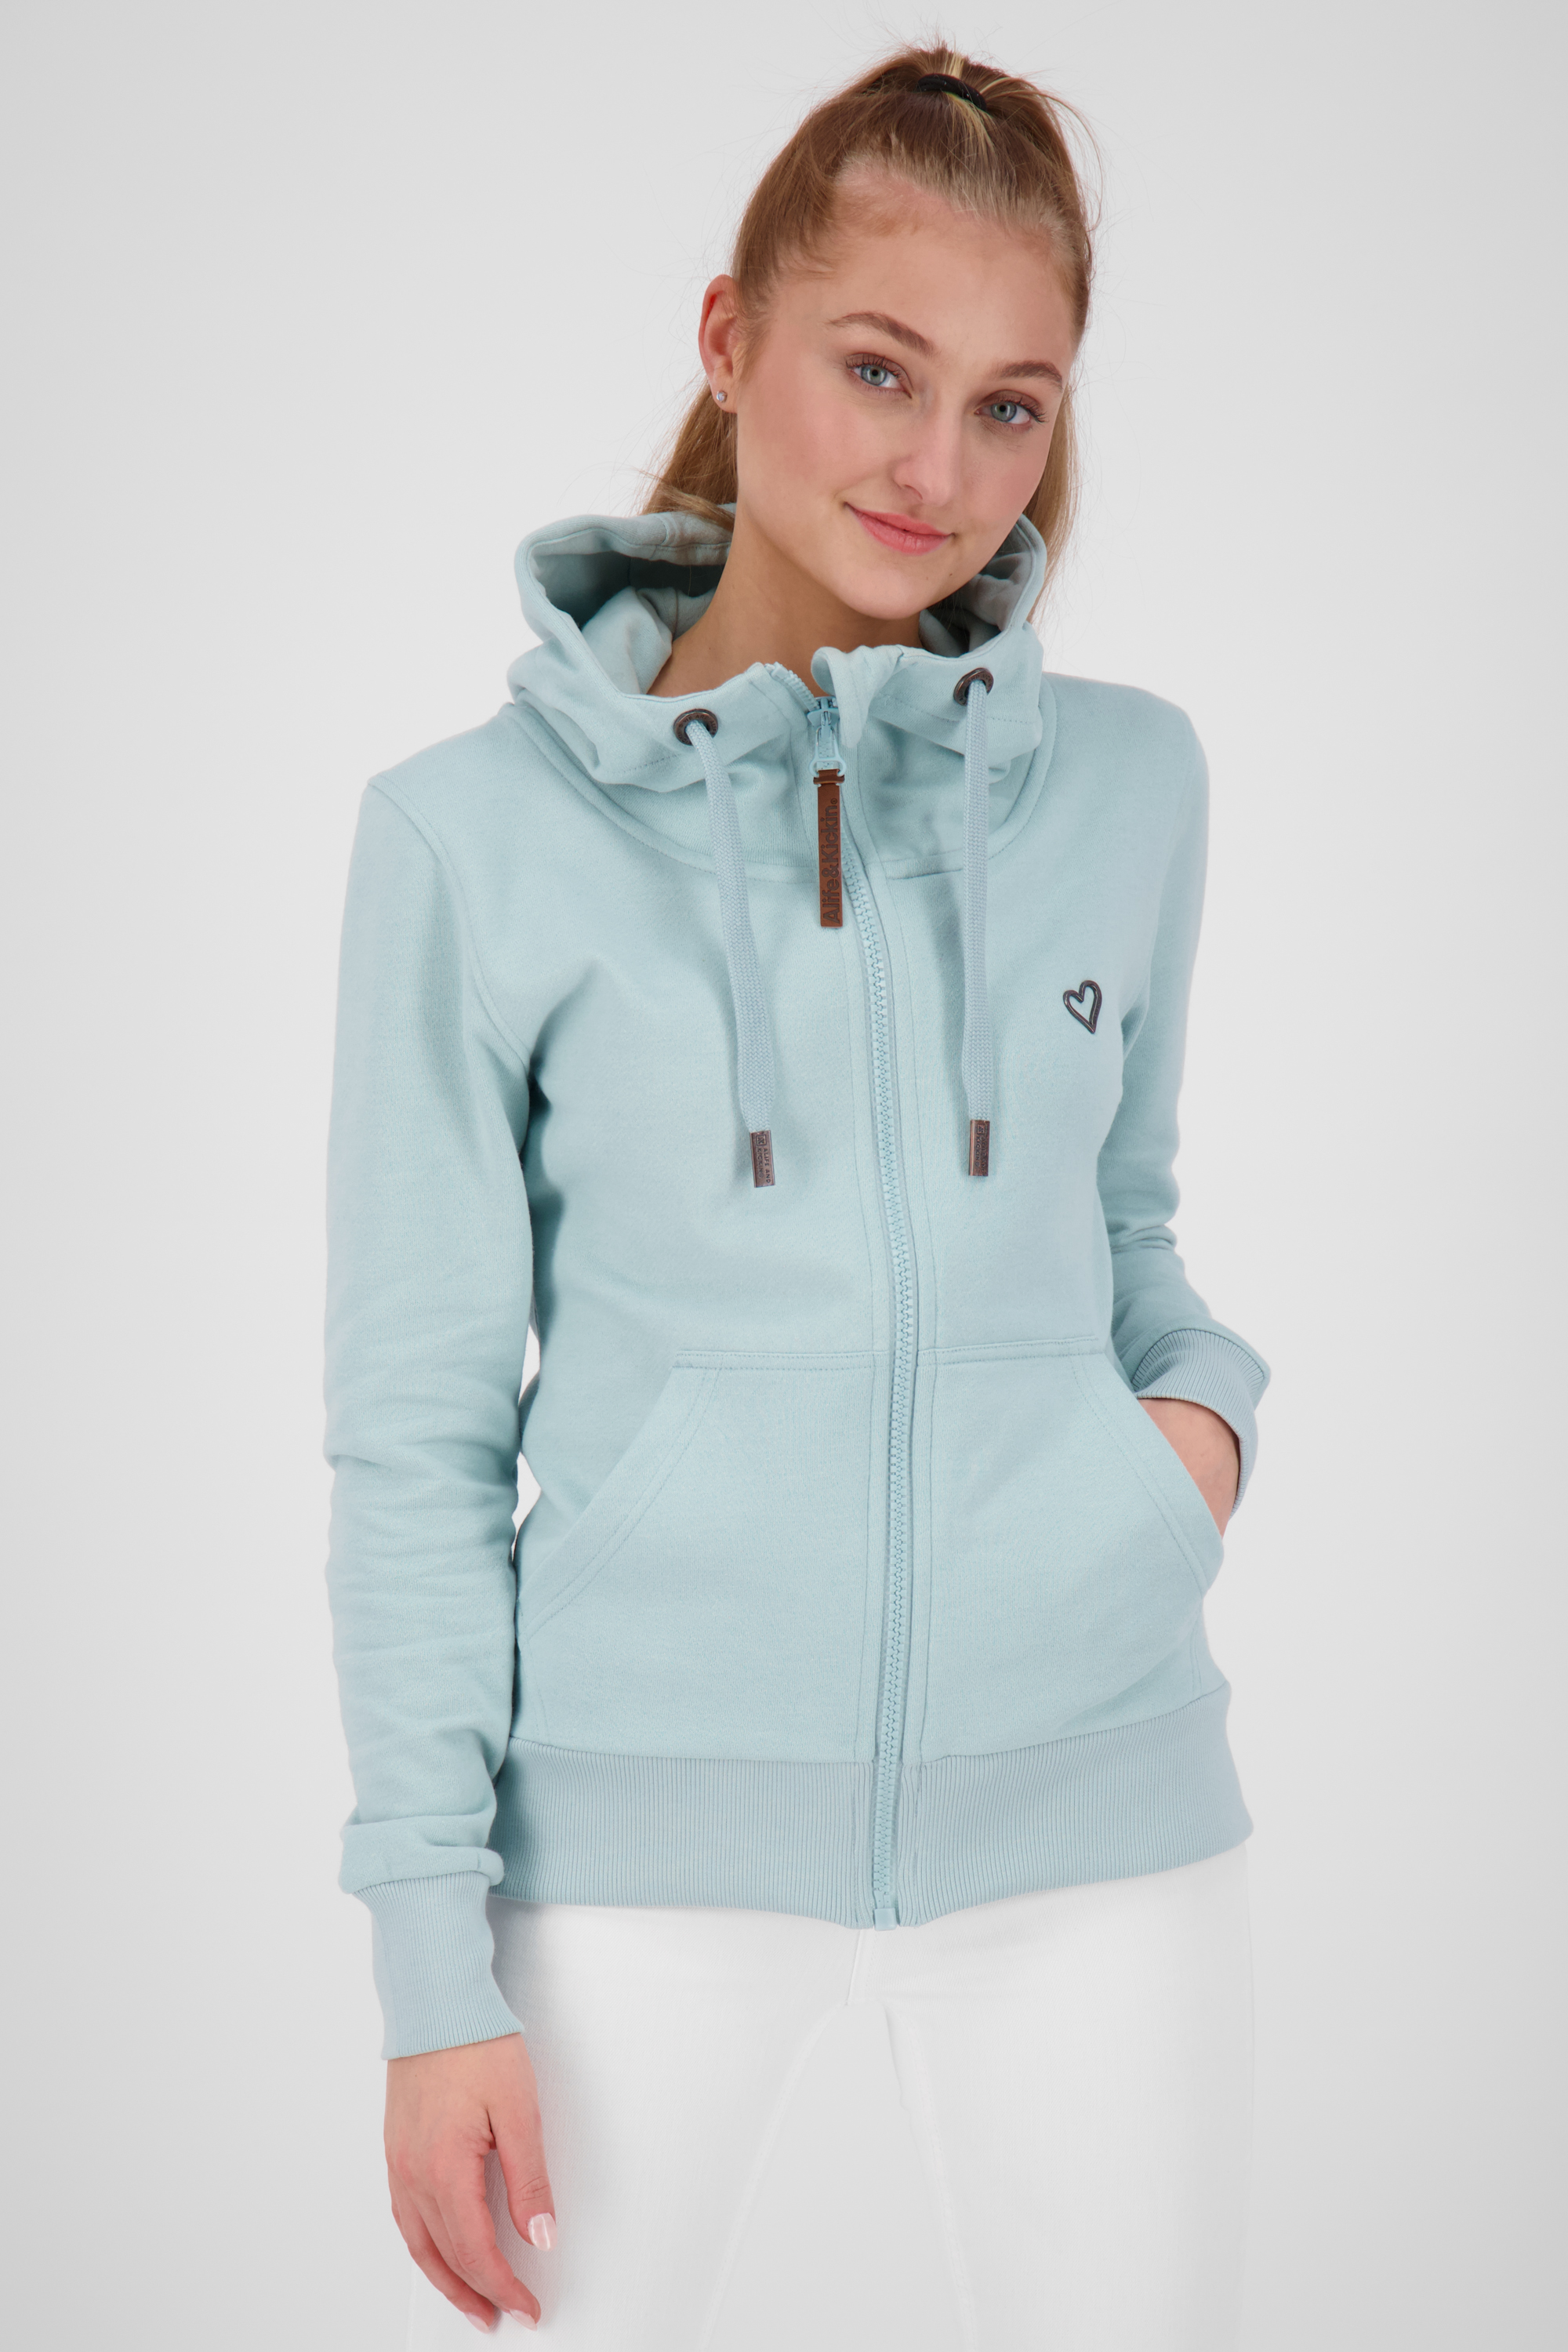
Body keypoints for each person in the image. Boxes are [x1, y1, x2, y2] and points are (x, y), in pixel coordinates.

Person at [323, 45, 1272, 2350]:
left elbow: (1129, 1234)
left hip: (1104, 1828)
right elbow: (415, 1433)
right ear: (732, 338)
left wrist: (1196, 1441)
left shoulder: (1130, 786)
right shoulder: (470, 837)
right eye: (878, 370)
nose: (939, 469)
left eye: (1012, 405)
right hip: (626, 1867)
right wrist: (434, 1971)